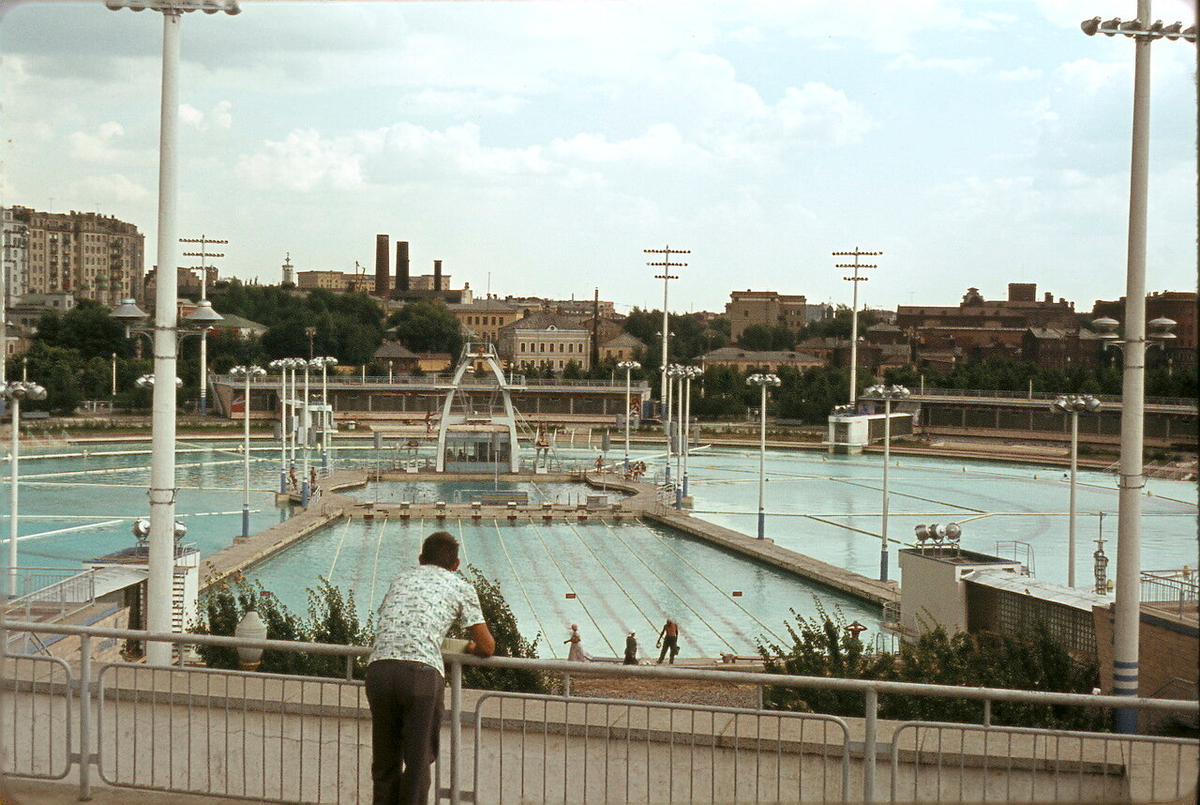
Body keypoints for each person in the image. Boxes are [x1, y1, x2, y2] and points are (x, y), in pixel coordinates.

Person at [366, 531, 495, 805]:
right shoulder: (460, 585)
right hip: (420, 675)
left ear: (421, 559)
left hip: (379, 670)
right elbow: (487, 647)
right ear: (456, 564)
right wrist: (469, 648)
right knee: (417, 764)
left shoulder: (401, 578)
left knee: (385, 764)